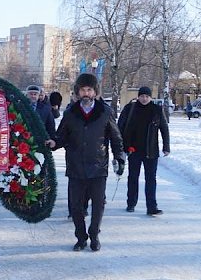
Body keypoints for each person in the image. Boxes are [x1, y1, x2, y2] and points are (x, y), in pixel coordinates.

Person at [53, 73, 125, 252]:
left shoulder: (105, 112)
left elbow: (116, 138)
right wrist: (53, 143)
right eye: (83, 90)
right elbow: (61, 136)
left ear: (95, 92)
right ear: (78, 92)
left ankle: (94, 235)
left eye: (89, 90)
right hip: (76, 166)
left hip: (98, 166)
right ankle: (81, 237)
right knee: (76, 206)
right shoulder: (70, 113)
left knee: (98, 204)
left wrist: (120, 157)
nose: (86, 93)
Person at [118, 86, 170, 216]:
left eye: (147, 96)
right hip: (133, 150)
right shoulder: (130, 109)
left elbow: (164, 129)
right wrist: (122, 146)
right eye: (142, 96)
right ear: (138, 96)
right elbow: (120, 127)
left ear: (150, 97)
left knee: (151, 179)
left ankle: (152, 207)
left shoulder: (156, 110)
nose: (144, 99)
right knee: (133, 177)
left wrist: (166, 146)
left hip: (151, 151)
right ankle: (131, 203)